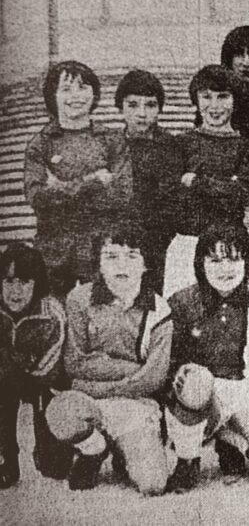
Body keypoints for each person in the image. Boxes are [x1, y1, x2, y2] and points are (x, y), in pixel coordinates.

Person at [163, 224, 249, 492]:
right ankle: (187, 459)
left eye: (234, 259)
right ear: (201, 263)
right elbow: (172, 363)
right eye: (215, 260)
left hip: (245, 389)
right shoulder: (183, 302)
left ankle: (230, 440)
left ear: (247, 262)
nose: (225, 269)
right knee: (196, 380)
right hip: (203, 394)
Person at [44, 227, 172, 494]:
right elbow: (76, 364)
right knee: (59, 410)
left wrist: (102, 378)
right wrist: (130, 370)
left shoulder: (159, 309)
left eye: (132, 256)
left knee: (153, 484)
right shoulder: (79, 299)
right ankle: (94, 448)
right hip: (92, 402)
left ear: (146, 264)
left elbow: (154, 376)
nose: (122, 265)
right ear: (98, 263)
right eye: (111, 257)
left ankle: (126, 452)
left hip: (136, 404)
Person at [24, 60, 132, 299]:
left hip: (100, 250)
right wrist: (93, 181)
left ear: (94, 93)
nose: (76, 96)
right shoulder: (40, 144)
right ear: (53, 96)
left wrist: (61, 188)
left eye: (83, 87)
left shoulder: (111, 140)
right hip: (54, 251)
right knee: (52, 320)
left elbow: (121, 195)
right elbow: (38, 198)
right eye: (66, 89)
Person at [163, 65, 249, 299]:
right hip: (188, 243)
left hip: (231, 247)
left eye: (223, 97)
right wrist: (225, 185)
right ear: (196, 100)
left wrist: (196, 182)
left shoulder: (247, 147)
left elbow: (241, 193)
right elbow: (175, 197)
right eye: (206, 97)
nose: (214, 106)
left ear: (235, 101)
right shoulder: (181, 144)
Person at [0, 244, 72, 488]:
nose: (15, 291)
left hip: (44, 381)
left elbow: (52, 362)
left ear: (37, 283)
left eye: (24, 281)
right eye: (8, 281)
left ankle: (52, 450)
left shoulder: (51, 312)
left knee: (55, 468)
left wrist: (24, 376)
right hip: (6, 377)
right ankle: (6, 457)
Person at [113, 69, 183, 293]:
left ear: (159, 109)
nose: (141, 113)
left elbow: (172, 200)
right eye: (133, 105)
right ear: (121, 107)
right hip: (117, 240)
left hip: (158, 242)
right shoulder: (110, 146)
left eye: (150, 105)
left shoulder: (171, 146)